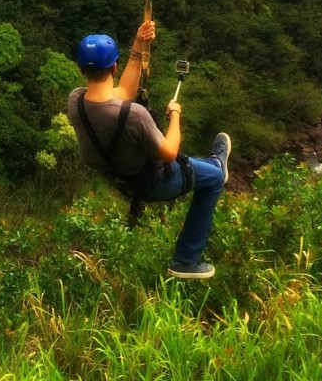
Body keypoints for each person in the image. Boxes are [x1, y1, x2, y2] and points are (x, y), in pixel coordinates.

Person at [67, 20, 230, 280]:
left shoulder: (76, 101)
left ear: (81, 69)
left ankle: (213, 161)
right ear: (114, 67)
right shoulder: (135, 115)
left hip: (125, 181)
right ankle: (186, 261)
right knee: (214, 179)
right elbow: (168, 152)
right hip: (158, 182)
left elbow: (123, 92)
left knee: (201, 167)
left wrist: (138, 43)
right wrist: (175, 115)